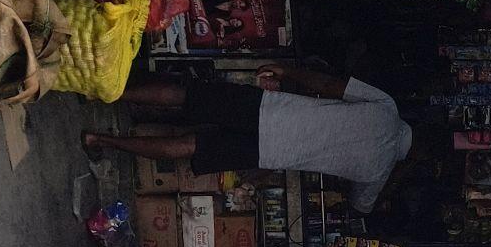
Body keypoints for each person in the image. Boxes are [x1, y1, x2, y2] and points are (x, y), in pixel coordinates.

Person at [83, 60, 412, 213]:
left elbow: (328, 85)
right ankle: (102, 141)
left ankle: (102, 93)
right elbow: (362, 205)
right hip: (270, 151)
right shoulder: (378, 171)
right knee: (189, 146)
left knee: (187, 97)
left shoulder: (387, 108)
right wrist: (393, 180)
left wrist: (287, 70)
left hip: (271, 109)